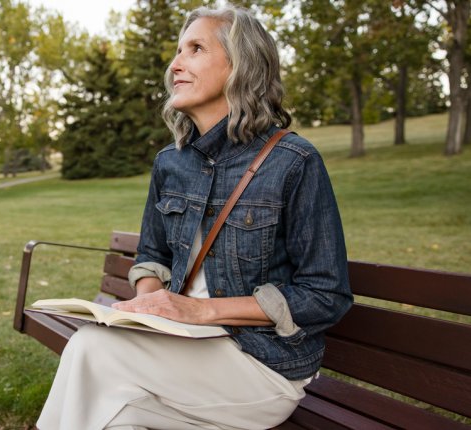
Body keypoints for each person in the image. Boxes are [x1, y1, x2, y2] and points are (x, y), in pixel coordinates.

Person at [37, 5, 353, 430]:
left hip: (262, 363)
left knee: (91, 351)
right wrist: (147, 306)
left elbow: (325, 294)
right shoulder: (171, 162)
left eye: (195, 49)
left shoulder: (293, 162)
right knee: (111, 414)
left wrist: (200, 312)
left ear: (241, 66)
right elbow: (152, 253)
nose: (175, 65)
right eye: (177, 51)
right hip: (178, 346)